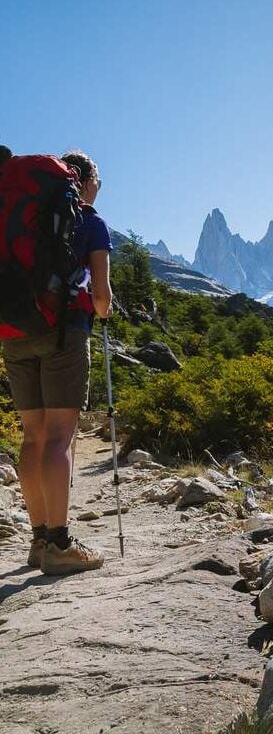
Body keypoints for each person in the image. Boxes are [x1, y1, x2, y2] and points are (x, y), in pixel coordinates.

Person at [1, 150, 113, 575]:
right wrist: (104, 308)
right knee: (60, 438)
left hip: (14, 333)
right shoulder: (89, 220)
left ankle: (38, 539)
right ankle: (61, 545)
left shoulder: (26, 213)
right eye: (97, 183)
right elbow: (100, 298)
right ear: (84, 181)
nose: (98, 190)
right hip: (63, 334)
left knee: (33, 437)